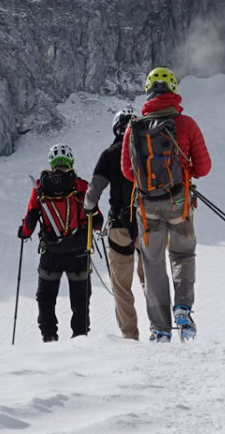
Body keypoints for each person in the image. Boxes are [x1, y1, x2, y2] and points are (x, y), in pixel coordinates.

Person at [120, 67, 211, 342]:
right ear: (173, 89)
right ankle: (183, 308)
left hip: (147, 206)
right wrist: (184, 172)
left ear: (148, 91)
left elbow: (128, 172)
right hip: (179, 203)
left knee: (153, 263)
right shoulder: (186, 124)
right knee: (183, 254)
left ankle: (160, 329)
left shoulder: (134, 127)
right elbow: (204, 167)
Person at [18, 143, 101, 341]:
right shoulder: (81, 186)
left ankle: (49, 336)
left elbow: (30, 220)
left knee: (46, 297)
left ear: (51, 163)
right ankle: (80, 336)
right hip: (79, 252)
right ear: (71, 161)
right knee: (80, 300)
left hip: (51, 253)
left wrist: (23, 232)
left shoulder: (40, 187)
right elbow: (97, 221)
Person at [85, 106, 140, 340]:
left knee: (121, 287)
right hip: (148, 223)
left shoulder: (109, 154)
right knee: (152, 280)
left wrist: (90, 211)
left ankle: (130, 337)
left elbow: (92, 195)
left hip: (119, 226)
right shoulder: (148, 149)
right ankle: (160, 331)